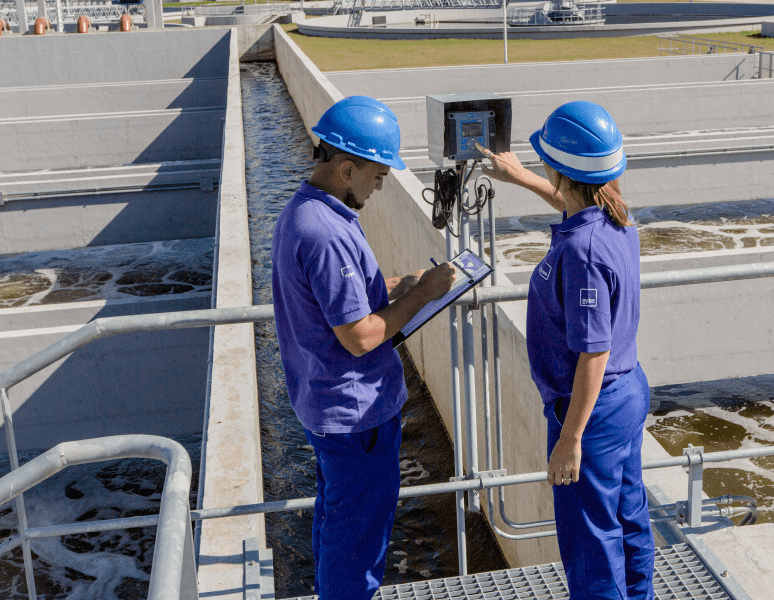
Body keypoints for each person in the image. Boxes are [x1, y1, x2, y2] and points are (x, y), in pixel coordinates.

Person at [271, 96, 458, 600]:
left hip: (327, 406)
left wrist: (394, 285)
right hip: (357, 416)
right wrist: (424, 294)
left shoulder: (302, 213)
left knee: (338, 522)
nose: (379, 187)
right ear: (347, 169)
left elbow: (335, 302)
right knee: (359, 542)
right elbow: (359, 337)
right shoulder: (326, 232)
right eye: (376, 176)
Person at [478, 101, 656, 600]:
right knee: (627, 517)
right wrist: (519, 178)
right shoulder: (617, 214)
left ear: (558, 167)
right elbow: (574, 204)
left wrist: (570, 438)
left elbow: (592, 352)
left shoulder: (583, 251)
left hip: (591, 411)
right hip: (626, 394)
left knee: (591, 544)